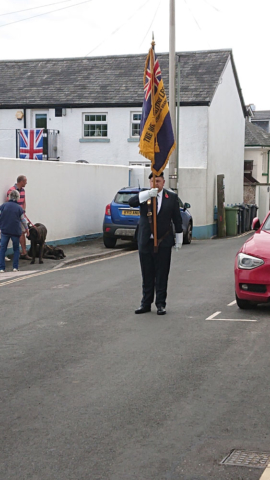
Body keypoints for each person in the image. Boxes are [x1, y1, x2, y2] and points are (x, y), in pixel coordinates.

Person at [129, 172, 183, 315]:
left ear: (164, 182)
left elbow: (177, 218)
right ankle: (146, 303)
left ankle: (160, 304)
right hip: (146, 241)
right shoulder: (144, 195)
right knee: (147, 274)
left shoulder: (170, 197)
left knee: (162, 273)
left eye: (158, 181)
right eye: (153, 181)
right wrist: (147, 194)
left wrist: (179, 237)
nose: (155, 184)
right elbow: (131, 202)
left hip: (163, 241)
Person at [0, 190, 29, 272]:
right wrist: (27, 229)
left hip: (5, 230)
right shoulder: (19, 208)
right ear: (18, 198)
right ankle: (15, 267)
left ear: (9, 197)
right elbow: (23, 220)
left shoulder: (3, 206)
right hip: (15, 231)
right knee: (16, 249)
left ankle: (1, 268)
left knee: (2, 249)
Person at [7, 175, 31, 260]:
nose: (26, 183)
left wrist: (23, 210)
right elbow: (8, 203)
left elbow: (24, 202)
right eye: (25, 181)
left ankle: (24, 252)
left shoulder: (23, 191)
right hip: (14, 217)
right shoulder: (11, 190)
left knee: (22, 233)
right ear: (21, 181)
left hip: (20, 215)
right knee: (9, 233)